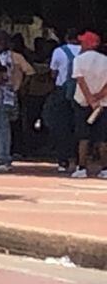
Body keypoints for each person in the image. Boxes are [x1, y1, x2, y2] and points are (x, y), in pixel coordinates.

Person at [0, 30, 32, 173]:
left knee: (1, 128)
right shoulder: (12, 56)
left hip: (6, 96)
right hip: (4, 95)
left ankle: (3, 158)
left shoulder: (11, 57)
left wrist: (20, 88)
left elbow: (30, 73)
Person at [70, 31, 107, 179]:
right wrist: (98, 97)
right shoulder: (105, 60)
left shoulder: (79, 60)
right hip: (103, 103)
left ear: (86, 44)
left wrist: (90, 99)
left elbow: (80, 81)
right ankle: (105, 168)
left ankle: (82, 167)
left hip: (83, 103)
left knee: (83, 137)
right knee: (103, 138)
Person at [47, 30, 85, 173]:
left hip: (62, 91)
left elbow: (53, 73)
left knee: (61, 125)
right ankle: (78, 157)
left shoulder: (58, 51)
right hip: (81, 91)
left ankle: (63, 159)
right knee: (78, 124)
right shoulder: (84, 52)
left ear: (66, 38)